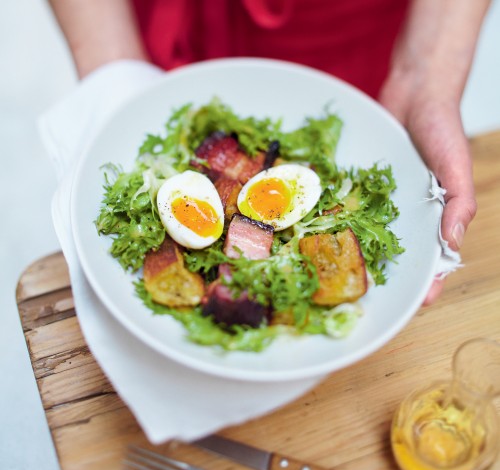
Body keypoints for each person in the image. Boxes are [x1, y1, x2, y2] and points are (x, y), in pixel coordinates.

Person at [48, 0, 491, 304]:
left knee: (351, 136)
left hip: (348, 26)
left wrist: (427, 78)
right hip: (142, 23)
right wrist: (115, 79)